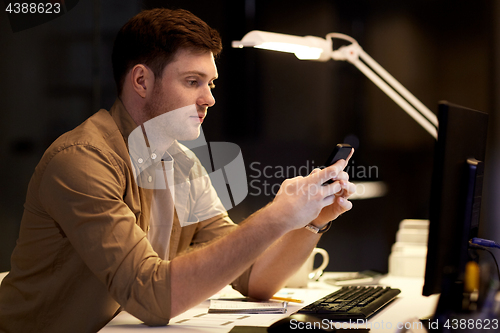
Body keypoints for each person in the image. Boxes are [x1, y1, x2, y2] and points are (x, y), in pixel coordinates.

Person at [0, 8, 356, 333]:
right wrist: (277, 216)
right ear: (141, 81)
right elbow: (152, 298)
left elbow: (252, 278)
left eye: (211, 83)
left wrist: (313, 220)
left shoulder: (182, 162)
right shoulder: (82, 160)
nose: (209, 98)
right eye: (192, 82)